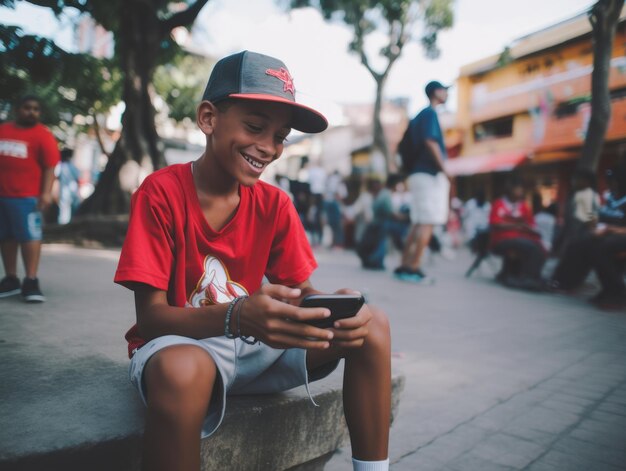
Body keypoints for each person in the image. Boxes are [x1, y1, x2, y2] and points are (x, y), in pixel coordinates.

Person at [113, 51, 391, 471]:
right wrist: (236, 317)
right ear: (208, 118)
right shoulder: (161, 193)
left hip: (256, 347)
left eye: (280, 136)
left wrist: (333, 306)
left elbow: (302, 293)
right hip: (185, 348)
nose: (269, 148)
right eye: (255, 127)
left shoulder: (276, 204)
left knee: (372, 322)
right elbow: (151, 319)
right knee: (182, 368)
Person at [0, 95, 60, 302]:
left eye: (35, 109)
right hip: (3, 196)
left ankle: (31, 280)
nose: (31, 112)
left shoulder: (42, 135)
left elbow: (50, 166)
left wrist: (45, 192)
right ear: (18, 109)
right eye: (27, 108)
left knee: (30, 237)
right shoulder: (3, 130)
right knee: (6, 237)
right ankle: (10, 279)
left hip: (27, 198)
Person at [395, 80, 451, 283]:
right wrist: (445, 170)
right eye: (445, 90)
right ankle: (414, 268)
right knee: (427, 222)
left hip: (416, 174)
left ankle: (404, 265)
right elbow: (430, 141)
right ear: (436, 92)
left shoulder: (419, 115)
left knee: (418, 221)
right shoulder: (430, 113)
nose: (447, 94)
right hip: (429, 174)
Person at [489, 176, 547, 291]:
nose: (520, 192)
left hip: (521, 237)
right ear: (510, 189)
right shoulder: (499, 203)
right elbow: (495, 223)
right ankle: (527, 277)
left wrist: (526, 227)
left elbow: (531, 225)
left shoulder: (524, 206)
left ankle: (530, 277)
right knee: (529, 246)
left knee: (539, 247)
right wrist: (517, 225)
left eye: (521, 189)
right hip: (503, 239)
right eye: (518, 189)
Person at [56, 148, 81, 224]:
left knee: (64, 210)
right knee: (72, 209)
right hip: (73, 190)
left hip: (65, 191)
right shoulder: (72, 166)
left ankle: (64, 224)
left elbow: (56, 177)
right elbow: (78, 178)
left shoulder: (60, 166)